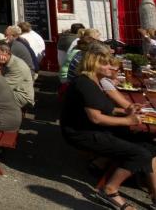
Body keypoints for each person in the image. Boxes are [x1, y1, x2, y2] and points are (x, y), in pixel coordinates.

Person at [60, 43, 156, 210]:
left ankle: (154, 193)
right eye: (105, 63)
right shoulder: (85, 83)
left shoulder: (95, 81)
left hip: (93, 129)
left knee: (149, 144)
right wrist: (128, 120)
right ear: (92, 63)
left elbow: (106, 108)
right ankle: (110, 190)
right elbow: (96, 118)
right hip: (83, 134)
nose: (111, 67)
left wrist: (126, 110)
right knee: (140, 153)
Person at [0, 41, 34, 109]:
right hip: (13, 89)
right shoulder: (7, 61)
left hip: (21, 96)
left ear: (5, 52)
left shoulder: (17, 66)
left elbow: (1, 87)